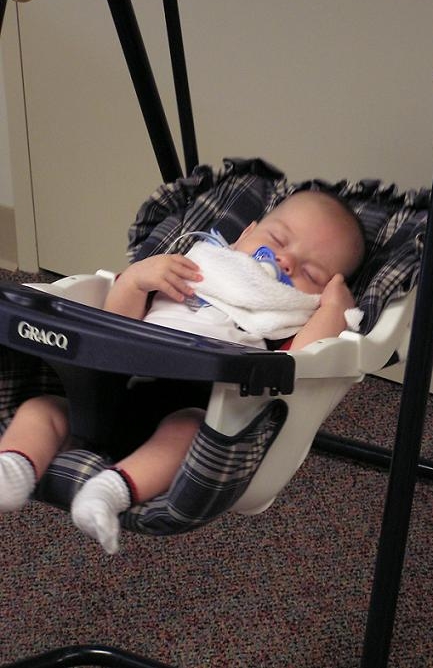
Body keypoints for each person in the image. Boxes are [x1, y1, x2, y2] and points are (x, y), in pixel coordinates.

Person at [0, 191, 365, 553]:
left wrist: (333, 310)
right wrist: (135, 281)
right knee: (42, 408)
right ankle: (13, 468)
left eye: (311, 273)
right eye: (277, 240)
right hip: (110, 394)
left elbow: (303, 363)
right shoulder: (189, 270)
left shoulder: (282, 320)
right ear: (244, 234)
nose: (285, 261)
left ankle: (108, 492)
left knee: (186, 429)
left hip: (195, 412)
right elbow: (112, 327)